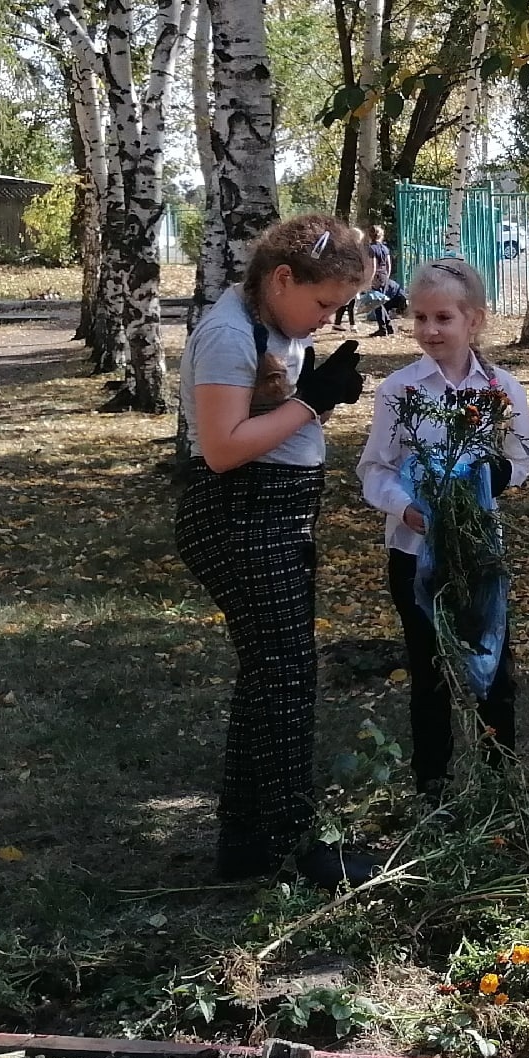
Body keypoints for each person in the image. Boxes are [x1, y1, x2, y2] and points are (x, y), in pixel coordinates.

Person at [174, 214, 373, 886]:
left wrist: (310, 387)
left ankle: (244, 841)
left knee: (268, 674)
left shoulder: (270, 325)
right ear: (282, 277)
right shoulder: (230, 334)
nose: (327, 319)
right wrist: (314, 401)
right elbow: (225, 448)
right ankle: (295, 842)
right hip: (241, 515)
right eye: (322, 304)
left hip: (273, 515)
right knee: (287, 674)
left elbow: (265, 411)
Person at [357, 257, 529, 792]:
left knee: (494, 667)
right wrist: (407, 508)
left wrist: (484, 483)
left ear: (474, 320)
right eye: (419, 318)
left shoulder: (499, 388)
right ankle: (433, 783)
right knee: (430, 670)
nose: (430, 331)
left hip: (478, 551)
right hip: (415, 552)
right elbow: (374, 469)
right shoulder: (401, 391)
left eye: (443, 318)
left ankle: (498, 778)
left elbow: (523, 452)